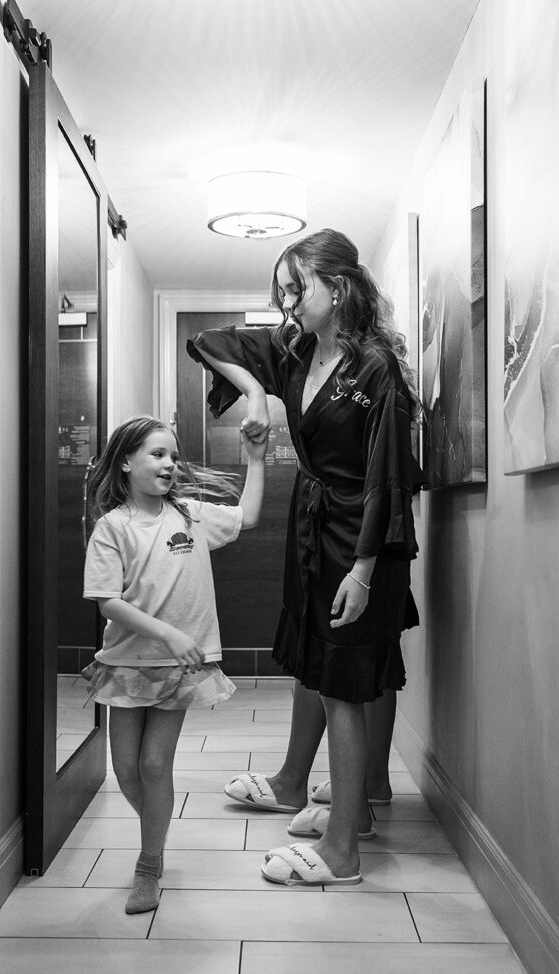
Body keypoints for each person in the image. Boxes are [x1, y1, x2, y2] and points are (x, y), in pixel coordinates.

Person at [186, 228, 424, 886]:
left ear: (338, 287)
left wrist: (364, 567)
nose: (287, 302)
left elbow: (386, 478)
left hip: (361, 535)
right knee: (321, 665)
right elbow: (210, 343)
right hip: (313, 524)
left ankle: (343, 851)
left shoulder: (374, 367)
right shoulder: (294, 350)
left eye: (298, 288)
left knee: (345, 682)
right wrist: (256, 395)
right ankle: (341, 809)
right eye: (282, 290)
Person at [80, 414, 267, 912]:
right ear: (126, 463)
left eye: (172, 455)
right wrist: (165, 631)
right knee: (125, 769)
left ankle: (149, 861)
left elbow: (246, 517)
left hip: (180, 667)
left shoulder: (190, 516)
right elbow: (106, 600)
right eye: (157, 454)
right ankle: (157, 825)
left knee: (154, 763)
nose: (170, 463)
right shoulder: (112, 527)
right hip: (127, 663)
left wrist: (255, 457)